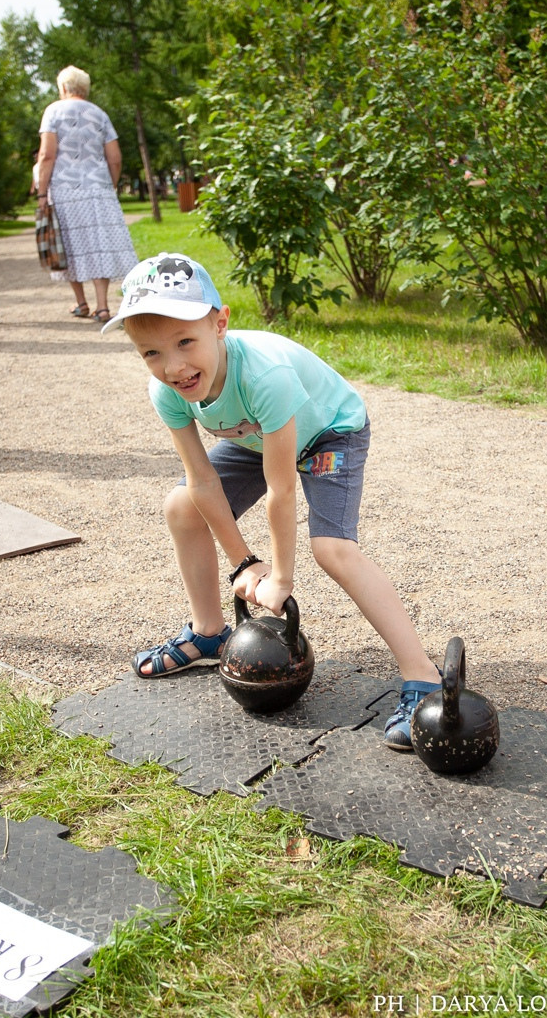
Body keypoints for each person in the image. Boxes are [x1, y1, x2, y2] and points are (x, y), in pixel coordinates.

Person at [101, 253, 443, 751]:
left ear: (220, 324)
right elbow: (202, 482)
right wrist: (243, 562)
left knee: (332, 548)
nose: (173, 366)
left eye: (184, 342)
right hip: (256, 438)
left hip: (328, 435)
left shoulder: (264, 375)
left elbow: (282, 490)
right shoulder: (168, 390)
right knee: (180, 506)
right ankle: (208, 634)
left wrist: (280, 576)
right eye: (151, 353)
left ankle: (423, 674)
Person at [36, 65, 138, 323]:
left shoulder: (53, 112)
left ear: (63, 88)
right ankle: (103, 306)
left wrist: (41, 191)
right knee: (98, 245)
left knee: (69, 245)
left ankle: (81, 303)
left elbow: (47, 155)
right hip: (98, 189)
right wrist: (110, 185)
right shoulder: (99, 114)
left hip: (65, 189)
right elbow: (114, 158)